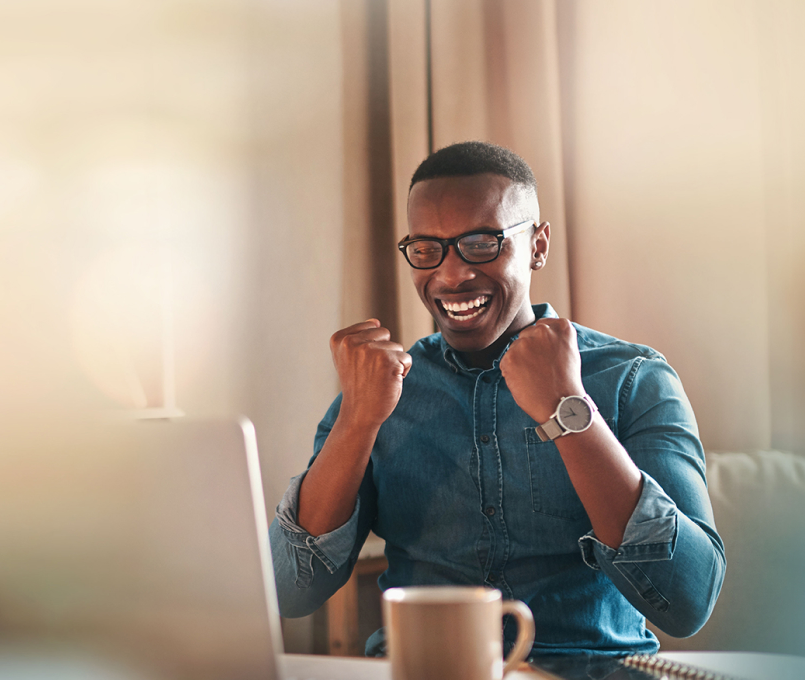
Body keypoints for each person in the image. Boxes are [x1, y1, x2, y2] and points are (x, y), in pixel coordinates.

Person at [268, 141, 725, 657]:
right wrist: (357, 420)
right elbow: (289, 591)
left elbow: (687, 601)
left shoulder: (634, 379)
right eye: (426, 249)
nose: (451, 274)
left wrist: (568, 412)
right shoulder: (378, 394)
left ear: (537, 245)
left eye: (482, 243)